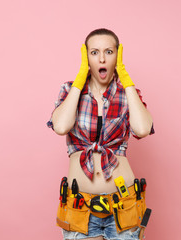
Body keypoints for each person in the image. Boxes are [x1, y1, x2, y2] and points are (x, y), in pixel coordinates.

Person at [47, 28, 155, 240]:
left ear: (118, 55)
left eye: (109, 51)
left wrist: (125, 77)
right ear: (86, 56)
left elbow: (142, 129)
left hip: (123, 205)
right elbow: (61, 127)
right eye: (94, 52)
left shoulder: (128, 95)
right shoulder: (70, 90)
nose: (102, 58)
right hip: (80, 207)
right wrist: (80, 79)